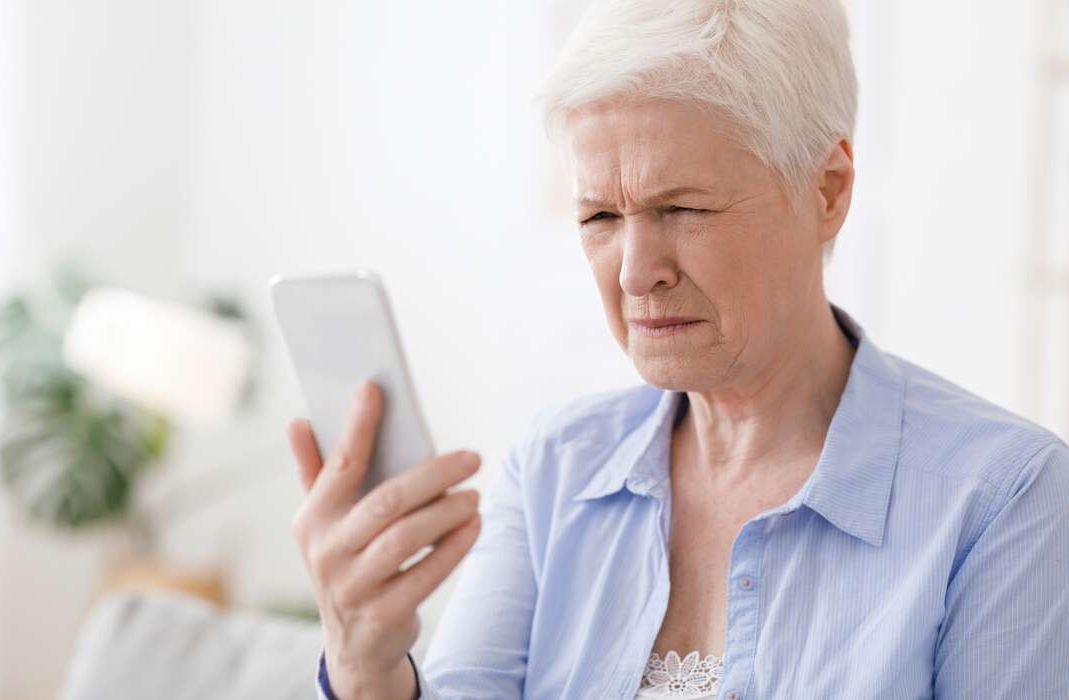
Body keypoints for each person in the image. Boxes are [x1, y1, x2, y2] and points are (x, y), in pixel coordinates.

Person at [290, 0, 1069, 697]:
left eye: (683, 207)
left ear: (827, 190)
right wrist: (366, 675)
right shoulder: (555, 470)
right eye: (599, 217)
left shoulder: (1005, 499)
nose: (635, 272)